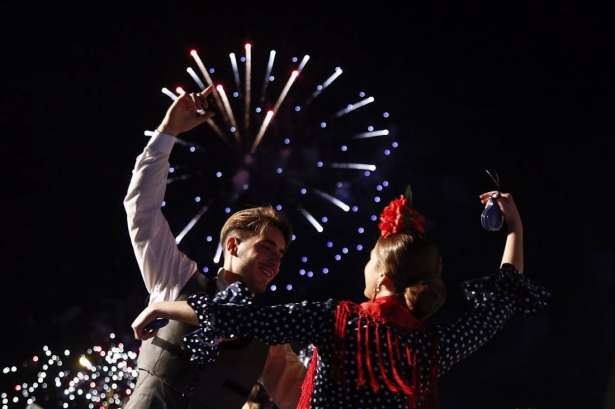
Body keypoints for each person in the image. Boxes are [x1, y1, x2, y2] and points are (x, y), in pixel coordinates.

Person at [131, 187, 550, 409]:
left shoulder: (337, 318)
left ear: (383, 276)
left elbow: (236, 319)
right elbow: (499, 306)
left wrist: (160, 306)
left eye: (369, 259)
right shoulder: (431, 346)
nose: (363, 267)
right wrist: (515, 231)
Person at [123, 85, 306, 409]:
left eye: (279, 254)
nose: (275, 261)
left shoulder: (271, 339)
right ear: (233, 245)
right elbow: (142, 210)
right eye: (267, 247)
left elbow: (304, 399)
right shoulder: (175, 278)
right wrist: (168, 131)